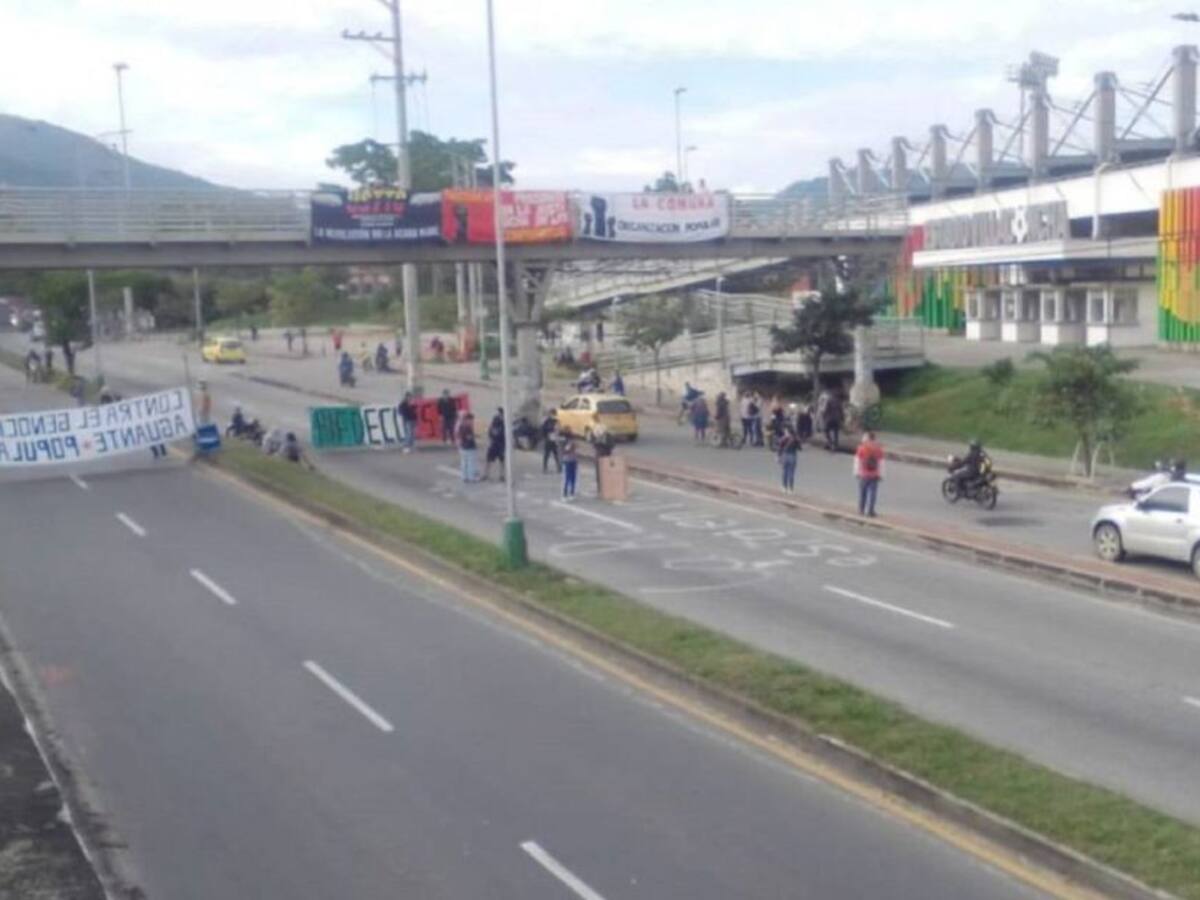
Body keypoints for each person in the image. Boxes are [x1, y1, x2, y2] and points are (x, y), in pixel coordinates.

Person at [854, 430, 884, 517]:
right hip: (874, 475)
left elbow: (857, 461)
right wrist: (881, 475)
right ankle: (870, 511)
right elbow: (881, 463)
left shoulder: (862, 448)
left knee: (863, 493)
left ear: (867, 438)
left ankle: (861, 509)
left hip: (863, 474)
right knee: (872, 494)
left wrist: (856, 472)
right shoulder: (878, 449)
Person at [591, 424, 615, 495]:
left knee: (608, 472)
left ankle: (607, 487)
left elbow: (612, 445)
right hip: (599, 456)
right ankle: (600, 488)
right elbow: (593, 444)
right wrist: (598, 441)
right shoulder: (595, 436)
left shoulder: (608, 436)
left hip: (607, 456)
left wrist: (605, 444)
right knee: (599, 473)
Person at [484, 408, 506, 481]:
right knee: (490, 460)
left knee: (500, 460)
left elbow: (490, 432)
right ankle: (487, 474)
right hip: (496, 444)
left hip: (498, 444)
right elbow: (491, 432)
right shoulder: (498, 421)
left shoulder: (503, 422)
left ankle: (500, 475)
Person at [457, 412, 479, 482]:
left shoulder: (460, 426)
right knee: (471, 463)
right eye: (471, 420)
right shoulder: (467, 427)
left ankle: (464, 477)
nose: (472, 421)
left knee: (464, 463)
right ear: (468, 419)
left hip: (463, 447)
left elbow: (459, 436)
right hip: (469, 447)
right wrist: (475, 436)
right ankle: (471, 477)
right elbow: (469, 437)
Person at [778, 425, 800, 493]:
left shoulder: (783, 439)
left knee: (785, 472)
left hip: (785, 455)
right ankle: (791, 488)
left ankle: (784, 487)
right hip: (793, 456)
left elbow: (780, 448)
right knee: (791, 473)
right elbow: (799, 448)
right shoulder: (795, 439)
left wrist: (779, 457)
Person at [561, 427, 579, 501]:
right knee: (568, 478)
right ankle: (565, 494)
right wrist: (570, 446)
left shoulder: (572, 442)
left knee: (573, 478)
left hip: (573, 460)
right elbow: (565, 450)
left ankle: (571, 493)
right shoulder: (564, 441)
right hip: (568, 460)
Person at [541, 409, 561, 473]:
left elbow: (558, 430)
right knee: (548, 454)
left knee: (555, 454)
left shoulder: (556, 421)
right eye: (553, 414)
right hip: (549, 439)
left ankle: (558, 467)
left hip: (553, 440)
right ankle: (545, 468)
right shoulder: (547, 421)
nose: (553, 416)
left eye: (554, 414)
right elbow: (544, 429)